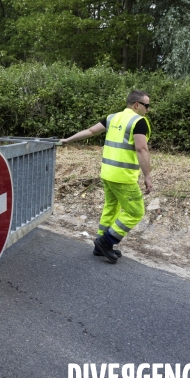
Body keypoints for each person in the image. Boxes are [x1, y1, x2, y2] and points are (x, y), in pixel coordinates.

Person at [59, 90, 152, 264]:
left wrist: (68, 140)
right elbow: (141, 149)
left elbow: (90, 131)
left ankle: (98, 247)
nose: (148, 110)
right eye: (147, 106)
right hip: (123, 177)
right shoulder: (139, 122)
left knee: (111, 207)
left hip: (108, 173)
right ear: (137, 105)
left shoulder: (112, 118)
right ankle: (106, 242)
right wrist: (148, 176)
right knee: (135, 212)